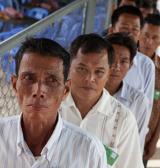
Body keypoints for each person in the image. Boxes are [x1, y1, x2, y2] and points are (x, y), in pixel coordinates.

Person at [0, 37, 107, 168]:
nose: (38, 91)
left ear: (65, 90)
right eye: (28, 78)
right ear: (15, 84)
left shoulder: (89, 151)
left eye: (51, 80)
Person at [60, 33, 144, 168]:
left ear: (108, 74)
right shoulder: (50, 107)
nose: (90, 78)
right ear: (68, 67)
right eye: (82, 69)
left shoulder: (124, 120)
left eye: (99, 72)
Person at [105, 32, 150, 153]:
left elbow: (137, 142)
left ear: (130, 65)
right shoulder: (87, 93)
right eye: (112, 59)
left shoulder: (138, 101)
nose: (116, 66)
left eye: (123, 61)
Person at [110, 5, 155, 114]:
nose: (129, 34)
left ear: (140, 34)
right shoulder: (97, 58)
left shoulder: (146, 65)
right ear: (111, 30)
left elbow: (146, 107)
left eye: (135, 30)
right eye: (124, 28)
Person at [139, 14, 160, 168]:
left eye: (154, 38)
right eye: (145, 35)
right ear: (138, 33)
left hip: (145, 139)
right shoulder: (124, 62)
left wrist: (154, 140)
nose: (148, 42)